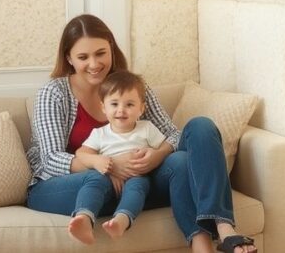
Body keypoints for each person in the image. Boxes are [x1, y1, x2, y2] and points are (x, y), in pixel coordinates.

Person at [26, 14, 257, 253]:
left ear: (111, 49)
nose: (94, 64)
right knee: (97, 180)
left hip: (136, 186)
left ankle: (224, 229)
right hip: (76, 188)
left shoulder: (132, 86)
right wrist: (111, 165)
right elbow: (50, 159)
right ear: (69, 58)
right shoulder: (54, 93)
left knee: (195, 136)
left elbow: (173, 134)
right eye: (83, 57)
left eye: (100, 53)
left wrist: (157, 156)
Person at [68, 70, 171, 244]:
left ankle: (121, 220)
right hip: (108, 180)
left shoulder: (147, 128)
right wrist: (97, 161)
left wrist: (155, 155)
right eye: (114, 104)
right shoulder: (100, 133)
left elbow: (164, 147)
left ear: (141, 108)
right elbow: (81, 153)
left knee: (137, 186)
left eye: (129, 104)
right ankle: (84, 218)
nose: (121, 110)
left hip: (137, 177)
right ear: (104, 107)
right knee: (94, 184)